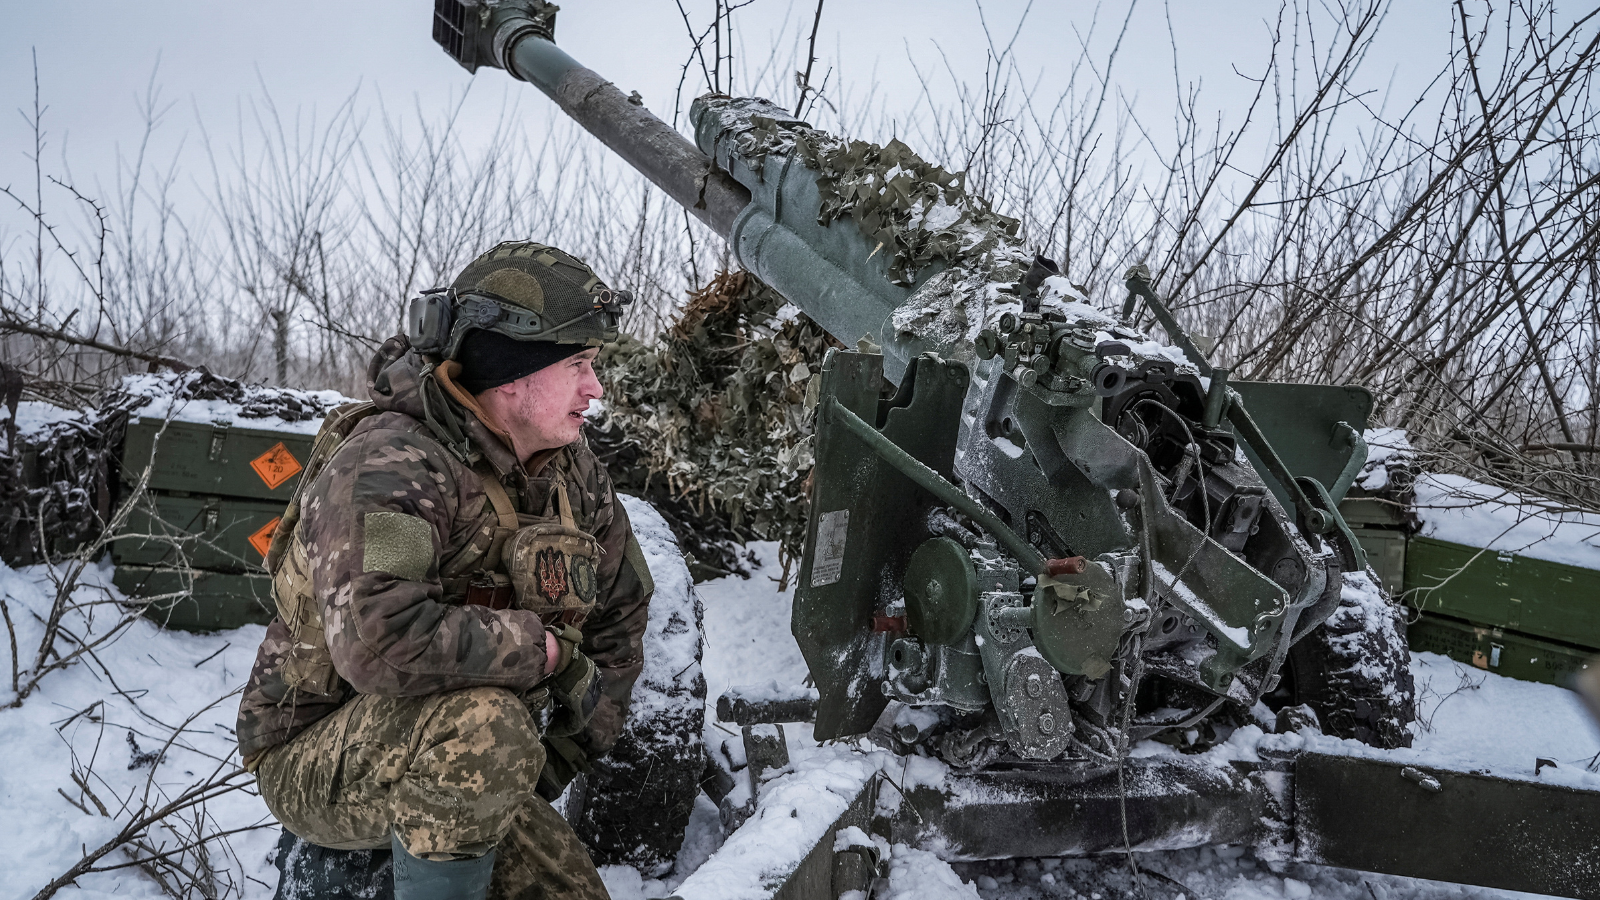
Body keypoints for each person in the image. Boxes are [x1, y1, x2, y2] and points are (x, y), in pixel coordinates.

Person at [236, 241, 653, 900]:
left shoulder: (572, 473)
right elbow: (383, 636)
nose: (594, 389)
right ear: (512, 373)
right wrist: (540, 654)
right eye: (577, 364)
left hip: (477, 747)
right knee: (484, 723)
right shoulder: (393, 468)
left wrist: (549, 760)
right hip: (316, 753)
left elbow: (621, 616)